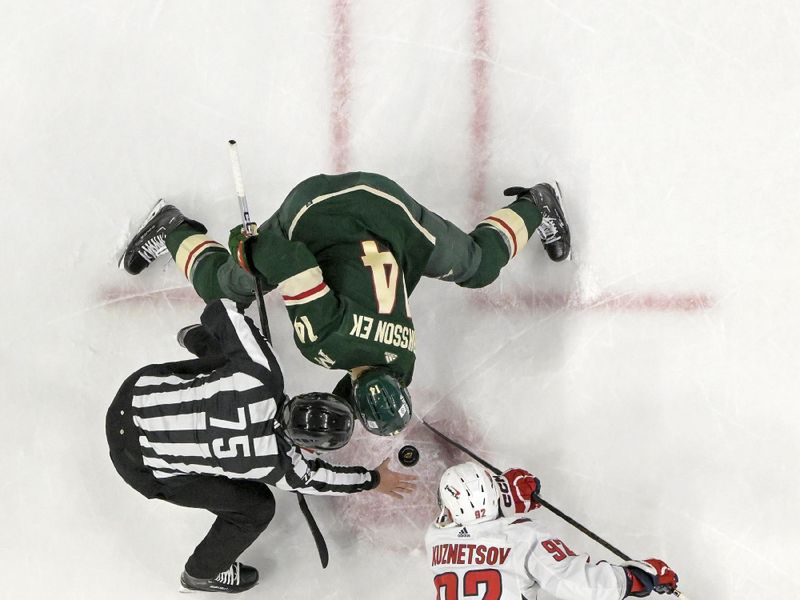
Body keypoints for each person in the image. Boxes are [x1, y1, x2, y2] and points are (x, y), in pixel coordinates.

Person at [119, 172, 571, 436]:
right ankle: (173, 227)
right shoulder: (324, 344)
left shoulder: (402, 361)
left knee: (477, 264)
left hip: (388, 206)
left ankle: (536, 204)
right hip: (317, 210)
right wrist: (248, 250)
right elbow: (290, 260)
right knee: (230, 288)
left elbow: (370, 371)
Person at [107, 245, 417, 592]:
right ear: (305, 446)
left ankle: (197, 339)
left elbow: (221, 308)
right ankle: (201, 573)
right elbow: (325, 480)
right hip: (137, 465)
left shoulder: (262, 374)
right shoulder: (283, 465)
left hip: (135, 395)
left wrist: (253, 267)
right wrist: (375, 479)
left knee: (229, 369)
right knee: (255, 508)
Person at [426, 462, 679, 600]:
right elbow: (580, 587)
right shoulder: (522, 539)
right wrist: (638, 578)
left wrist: (506, 496)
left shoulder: (435, 541)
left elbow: (470, 522)